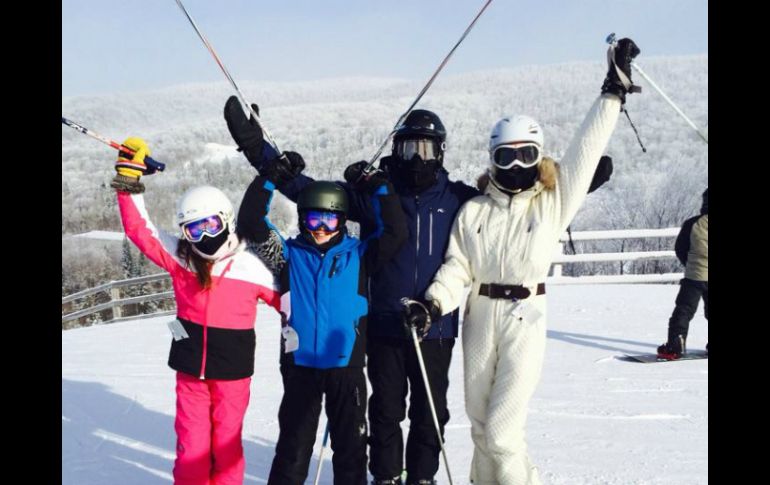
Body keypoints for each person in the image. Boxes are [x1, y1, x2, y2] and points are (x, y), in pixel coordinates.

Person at [405, 38, 642, 484]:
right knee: (480, 427)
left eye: (526, 155)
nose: (516, 165)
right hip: (480, 314)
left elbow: (585, 149)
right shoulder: (475, 210)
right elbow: (458, 268)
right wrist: (433, 304)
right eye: (506, 156)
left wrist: (612, 92)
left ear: (539, 157)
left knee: (502, 432)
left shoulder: (551, 202)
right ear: (492, 159)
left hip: (526, 316)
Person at [109, 138, 282, 484]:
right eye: (193, 230)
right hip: (190, 372)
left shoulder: (252, 268)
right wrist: (129, 180)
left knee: (227, 448)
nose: (203, 237)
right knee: (192, 449)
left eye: (210, 226)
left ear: (226, 221)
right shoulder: (182, 261)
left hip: (232, 375)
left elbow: (295, 305)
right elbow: (140, 230)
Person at [235, 144, 408, 484]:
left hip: (347, 367)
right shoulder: (288, 255)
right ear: (302, 219)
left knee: (352, 447)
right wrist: (271, 178)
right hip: (301, 367)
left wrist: (380, 187)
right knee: (293, 447)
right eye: (313, 218)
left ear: (342, 221)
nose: (320, 228)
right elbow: (251, 223)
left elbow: (395, 233)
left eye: (329, 219)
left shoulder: (360, 255)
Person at [657, 188, 708, 359]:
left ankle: (675, 345)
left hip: (695, 275)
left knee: (684, 310)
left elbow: (680, 248)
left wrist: (690, 265)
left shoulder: (693, 223)